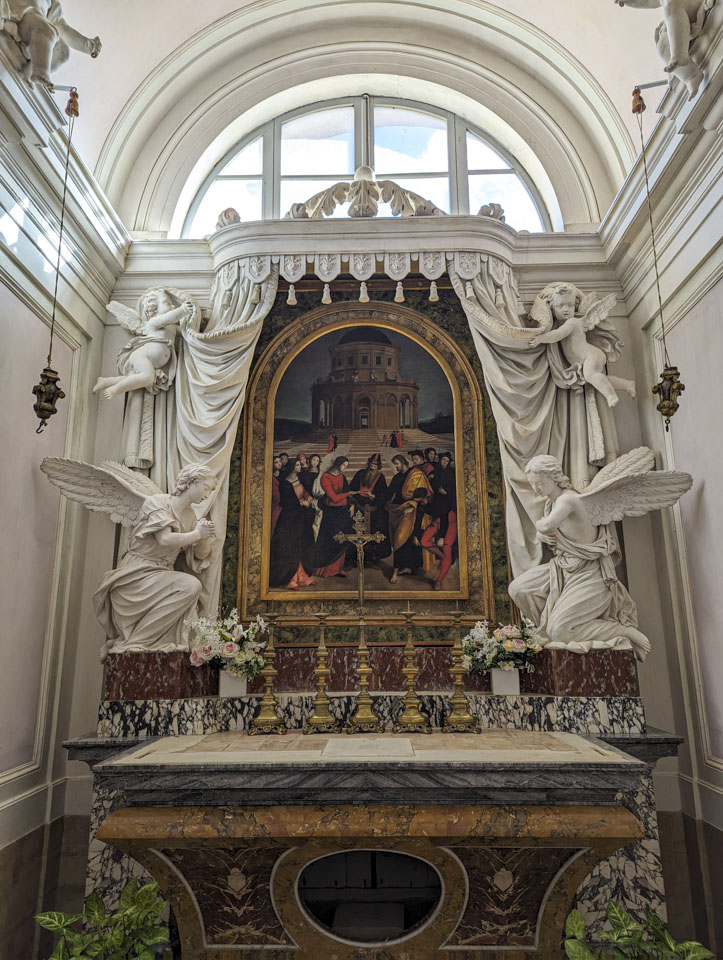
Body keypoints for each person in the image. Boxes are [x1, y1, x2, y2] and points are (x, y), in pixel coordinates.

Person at [529, 284, 636, 409]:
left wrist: (540, 338)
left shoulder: (572, 322)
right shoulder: (567, 323)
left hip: (591, 355)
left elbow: (558, 334)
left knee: (591, 375)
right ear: (552, 308)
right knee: (596, 378)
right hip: (589, 357)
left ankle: (611, 396)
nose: (566, 309)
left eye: (570, 305)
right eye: (560, 305)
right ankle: (627, 384)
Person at [269, 458, 316, 590]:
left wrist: (308, 497)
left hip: (300, 518)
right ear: (291, 467)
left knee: (300, 546)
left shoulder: (298, 480)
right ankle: (289, 579)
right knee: (289, 547)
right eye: (297, 465)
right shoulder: (284, 483)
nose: (300, 466)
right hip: (289, 520)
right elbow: (286, 503)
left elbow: (304, 492)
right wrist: (302, 503)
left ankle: (301, 577)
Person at [386, 454, 433, 583]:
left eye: (396, 463)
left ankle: (408, 568)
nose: (395, 466)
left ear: (402, 462)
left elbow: (425, 494)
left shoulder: (416, 474)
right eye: (394, 464)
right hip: (400, 511)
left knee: (411, 541)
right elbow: (389, 492)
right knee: (399, 540)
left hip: (414, 512)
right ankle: (397, 570)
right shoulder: (397, 477)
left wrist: (412, 506)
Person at [420, 451, 458, 589]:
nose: (444, 462)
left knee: (447, 547)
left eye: (446, 461)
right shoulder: (436, 474)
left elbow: (447, 508)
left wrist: (441, 536)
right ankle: (442, 557)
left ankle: (439, 580)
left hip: (449, 520)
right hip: (438, 518)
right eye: (442, 460)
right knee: (424, 541)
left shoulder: (451, 475)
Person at [313, 456, 354, 578]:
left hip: (342, 512)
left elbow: (345, 493)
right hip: (331, 513)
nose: (344, 468)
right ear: (338, 464)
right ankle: (324, 570)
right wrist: (350, 493)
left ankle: (336, 570)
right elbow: (334, 498)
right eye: (343, 465)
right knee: (330, 540)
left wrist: (351, 504)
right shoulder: (325, 477)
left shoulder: (342, 477)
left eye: (346, 466)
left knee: (341, 539)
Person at [349, 453, 391, 565]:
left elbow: (383, 494)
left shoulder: (380, 477)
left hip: (374, 510)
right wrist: (355, 499)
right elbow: (351, 489)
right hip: (359, 508)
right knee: (355, 533)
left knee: (374, 533)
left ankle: (371, 560)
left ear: (378, 467)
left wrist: (374, 497)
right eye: (371, 464)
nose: (373, 466)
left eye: (375, 465)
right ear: (369, 464)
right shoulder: (360, 474)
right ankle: (354, 560)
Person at [270, 454, 282, 536]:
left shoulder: (283, 474)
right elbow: (275, 495)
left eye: (280, 461)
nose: (279, 463)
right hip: (276, 505)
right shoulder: (271, 477)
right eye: (276, 462)